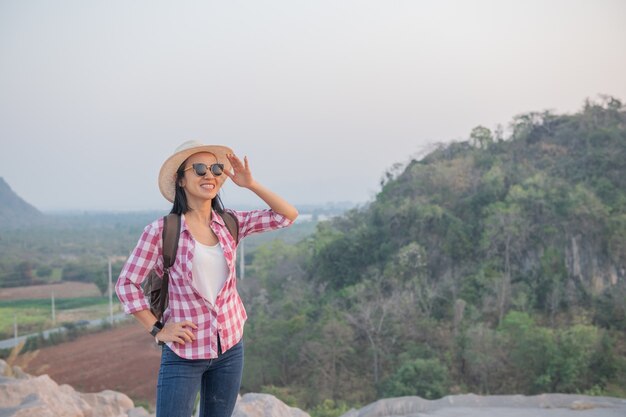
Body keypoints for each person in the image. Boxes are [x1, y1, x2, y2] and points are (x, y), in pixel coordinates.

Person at [115, 140, 298, 417]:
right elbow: (126, 284)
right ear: (180, 179)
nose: (209, 174)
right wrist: (157, 329)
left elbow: (287, 215)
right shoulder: (162, 231)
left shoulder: (229, 223)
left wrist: (250, 184)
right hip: (184, 353)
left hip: (230, 347)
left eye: (215, 168)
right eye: (199, 168)